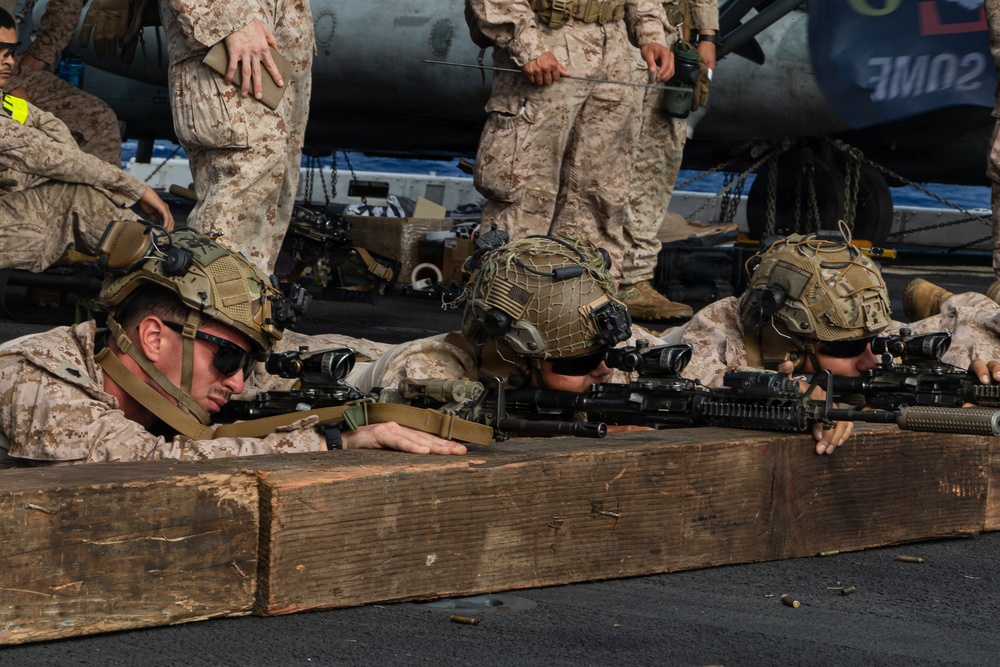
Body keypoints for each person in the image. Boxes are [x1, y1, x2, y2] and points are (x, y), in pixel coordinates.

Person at [0, 228, 467, 467]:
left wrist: (444, 371)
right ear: (154, 337)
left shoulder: (179, 373)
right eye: (226, 359)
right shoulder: (36, 378)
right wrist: (332, 441)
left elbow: (321, 355)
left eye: (245, 362)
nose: (238, 379)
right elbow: (145, 465)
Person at [660, 232, 1000, 454]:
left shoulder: (857, 335)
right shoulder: (717, 328)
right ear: (785, 342)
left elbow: (979, 325)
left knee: (974, 317)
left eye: (872, 342)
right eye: (844, 349)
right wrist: (791, 393)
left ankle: (936, 300)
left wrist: (982, 372)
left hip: (947, 316)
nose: (870, 360)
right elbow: (698, 380)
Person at [467, 0, 674, 283]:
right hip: (547, 39)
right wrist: (529, 47)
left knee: (601, 190)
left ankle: (579, 305)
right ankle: (506, 298)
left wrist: (651, 34)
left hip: (614, 50)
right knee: (524, 186)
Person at [0, 9, 172, 272]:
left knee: (75, 186)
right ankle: (168, 269)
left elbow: (52, 129)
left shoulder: (7, 102)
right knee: (78, 197)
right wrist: (134, 188)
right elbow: (47, 155)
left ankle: (166, 262)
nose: (8, 61)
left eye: (11, 51)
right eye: (0, 50)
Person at [158, 0, 313, 275]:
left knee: (266, 204)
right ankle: (203, 314)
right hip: (230, 40)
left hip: (271, 56)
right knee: (238, 189)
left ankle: (238, 313)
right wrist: (229, 19)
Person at [619, 0, 719, 322]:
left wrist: (707, 36)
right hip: (627, 40)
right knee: (609, 162)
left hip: (674, 38)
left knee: (659, 160)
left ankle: (634, 280)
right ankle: (603, 273)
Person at [2, 0, 122, 165]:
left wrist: (43, 51)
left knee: (97, 120)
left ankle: (93, 189)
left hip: (8, 63)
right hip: (9, 72)